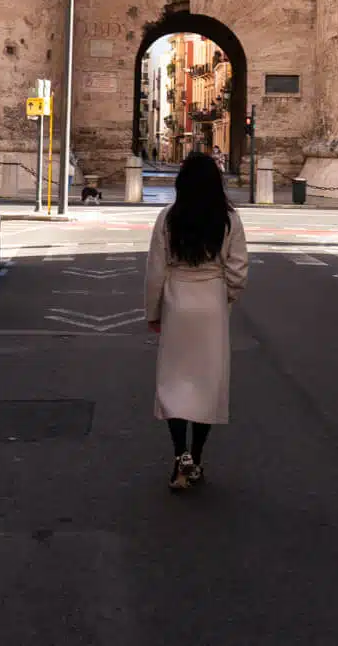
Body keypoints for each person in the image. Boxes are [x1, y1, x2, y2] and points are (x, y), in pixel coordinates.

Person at [145, 150, 248, 492]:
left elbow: (156, 271)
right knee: (207, 383)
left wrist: (153, 312)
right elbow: (238, 270)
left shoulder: (168, 218)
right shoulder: (229, 220)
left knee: (174, 383)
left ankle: (180, 455)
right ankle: (198, 459)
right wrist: (225, 297)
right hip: (211, 303)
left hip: (177, 302)